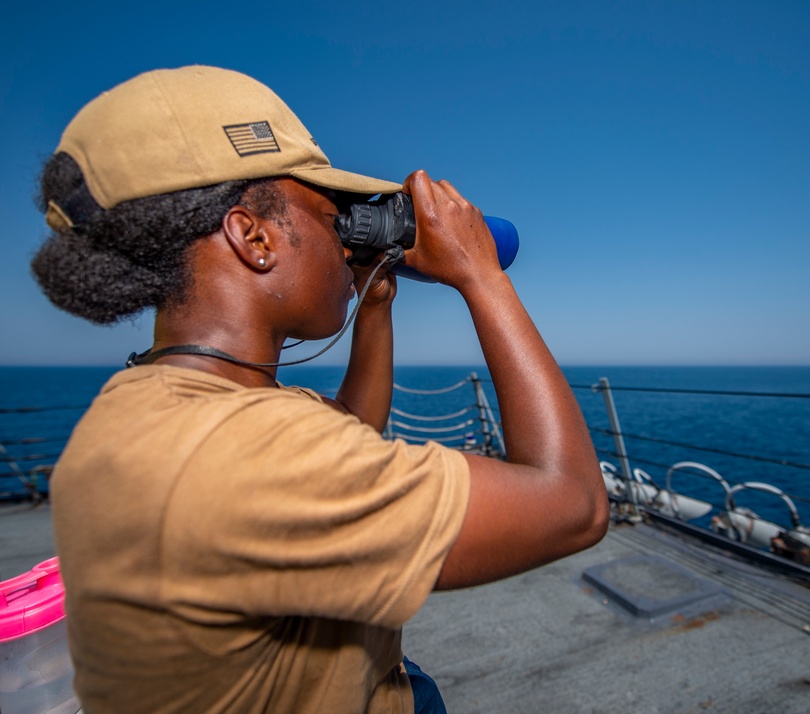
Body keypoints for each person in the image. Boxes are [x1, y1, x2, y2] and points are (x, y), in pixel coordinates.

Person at [32, 66, 609, 714]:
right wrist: (480, 275)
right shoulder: (241, 453)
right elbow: (574, 503)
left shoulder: (159, 403)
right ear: (255, 237)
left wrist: (377, 304)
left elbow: (348, 437)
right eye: (334, 220)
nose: (345, 245)